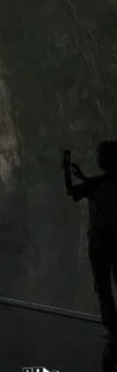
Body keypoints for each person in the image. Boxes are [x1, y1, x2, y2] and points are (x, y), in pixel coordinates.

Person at [64, 143, 117, 334]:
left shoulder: (96, 184)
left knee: (103, 287)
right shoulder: (99, 183)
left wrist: (67, 172)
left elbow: (72, 191)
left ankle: (112, 327)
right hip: (107, 242)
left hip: (99, 242)